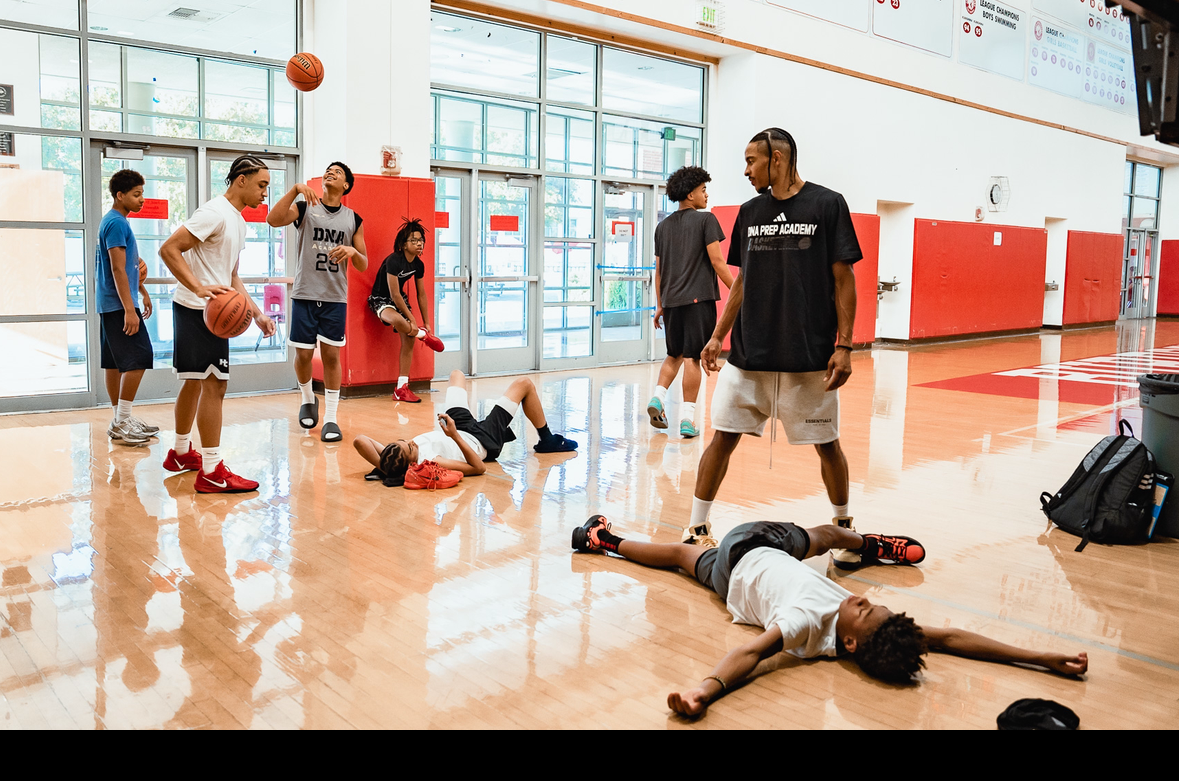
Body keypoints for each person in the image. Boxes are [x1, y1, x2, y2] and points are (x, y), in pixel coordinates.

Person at [569, 512, 1090, 718]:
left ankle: (863, 542)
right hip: (731, 584)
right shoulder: (853, 632)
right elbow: (950, 638)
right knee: (683, 557)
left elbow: (751, 653)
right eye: (872, 603)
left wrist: (703, 691)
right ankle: (603, 540)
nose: (862, 600)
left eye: (864, 610)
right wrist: (1040, 657)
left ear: (852, 644)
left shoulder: (804, 623)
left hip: (753, 544)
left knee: (822, 536)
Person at [686, 127, 860, 548]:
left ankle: (844, 529)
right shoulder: (750, 212)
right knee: (721, 438)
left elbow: (844, 278)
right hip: (749, 358)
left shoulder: (827, 204)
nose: (746, 171)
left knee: (828, 445)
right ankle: (696, 528)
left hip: (809, 358)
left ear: (776, 158)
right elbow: (742, 283)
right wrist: (717, 336)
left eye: (751, 161)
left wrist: (844, 345)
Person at [158, 154, 277, 494]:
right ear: (241, 180)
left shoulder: (238, 221)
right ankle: (211, 471)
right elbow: (169, 249)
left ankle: (181, 453)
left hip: (205, 309)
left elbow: (232, 275)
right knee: (215, 384)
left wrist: (256, 313)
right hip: (200, 310)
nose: (265, 193)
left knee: (196, 382)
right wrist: (198, 287)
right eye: (262, 185)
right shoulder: (214, 213)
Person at [267, 161, 367, 443]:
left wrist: (352, 251)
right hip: (304, 294)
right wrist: (296, 189)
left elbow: (363, 263)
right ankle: (308, 398)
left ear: (346, 185)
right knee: (303, 356)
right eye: (328, 170)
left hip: (335, 297)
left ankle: (331, 418)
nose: (330, 172)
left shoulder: (353, 219)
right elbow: (273, 219)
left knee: (332, 356)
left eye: (337, 172)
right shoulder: (305, 208)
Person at [354, 367, 577, 482]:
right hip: (480, 439)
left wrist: (386, 469)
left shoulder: (399, 456)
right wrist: (454, 436)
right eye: (410, 447)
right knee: (524, 384)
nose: (411, 442)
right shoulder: (433, 461)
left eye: (405, 442)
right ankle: (547, 439)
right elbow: (478, 468)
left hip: (458, 426)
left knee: (456, 375)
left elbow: (360, 440)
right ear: (412, 463)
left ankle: (546, 438)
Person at [649, 166, 733, 441]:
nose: (706, 195)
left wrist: (660, 305)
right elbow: (717, 261)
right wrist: (738, 291)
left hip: (672, 302)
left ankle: (658, 398)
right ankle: (687, 419)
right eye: (703, 190)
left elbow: (659, 272)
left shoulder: (662, 227)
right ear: (690, 194)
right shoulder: (706, 220)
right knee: (692, 359)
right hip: (698, 301)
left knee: (673, 355)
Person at [95, 169, 159, 445]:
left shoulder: (112, 221)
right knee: (141, 357)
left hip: (111, 303)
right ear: (119, 195)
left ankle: (118, 420)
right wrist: (130, 310)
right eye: (136, 194)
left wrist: (142, 291)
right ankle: (122, 420)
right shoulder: (117, 224)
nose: (142, 199)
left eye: (142, 193)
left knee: (113, 363)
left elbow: (130, 268)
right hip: (119, 305)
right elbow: (117, 269)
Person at [366, 217, 445, 401]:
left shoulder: (418, 264)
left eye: (421, 240)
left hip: (400, 300)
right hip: (381, 298)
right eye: (414, 240)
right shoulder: (394, 260)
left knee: (408, 340)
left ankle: (401, 388)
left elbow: (421, 294)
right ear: (403, 244)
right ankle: (422, 336)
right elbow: (393, 294)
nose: (419, 244)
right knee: (398, 321)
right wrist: (413, 321)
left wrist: (426, 322)